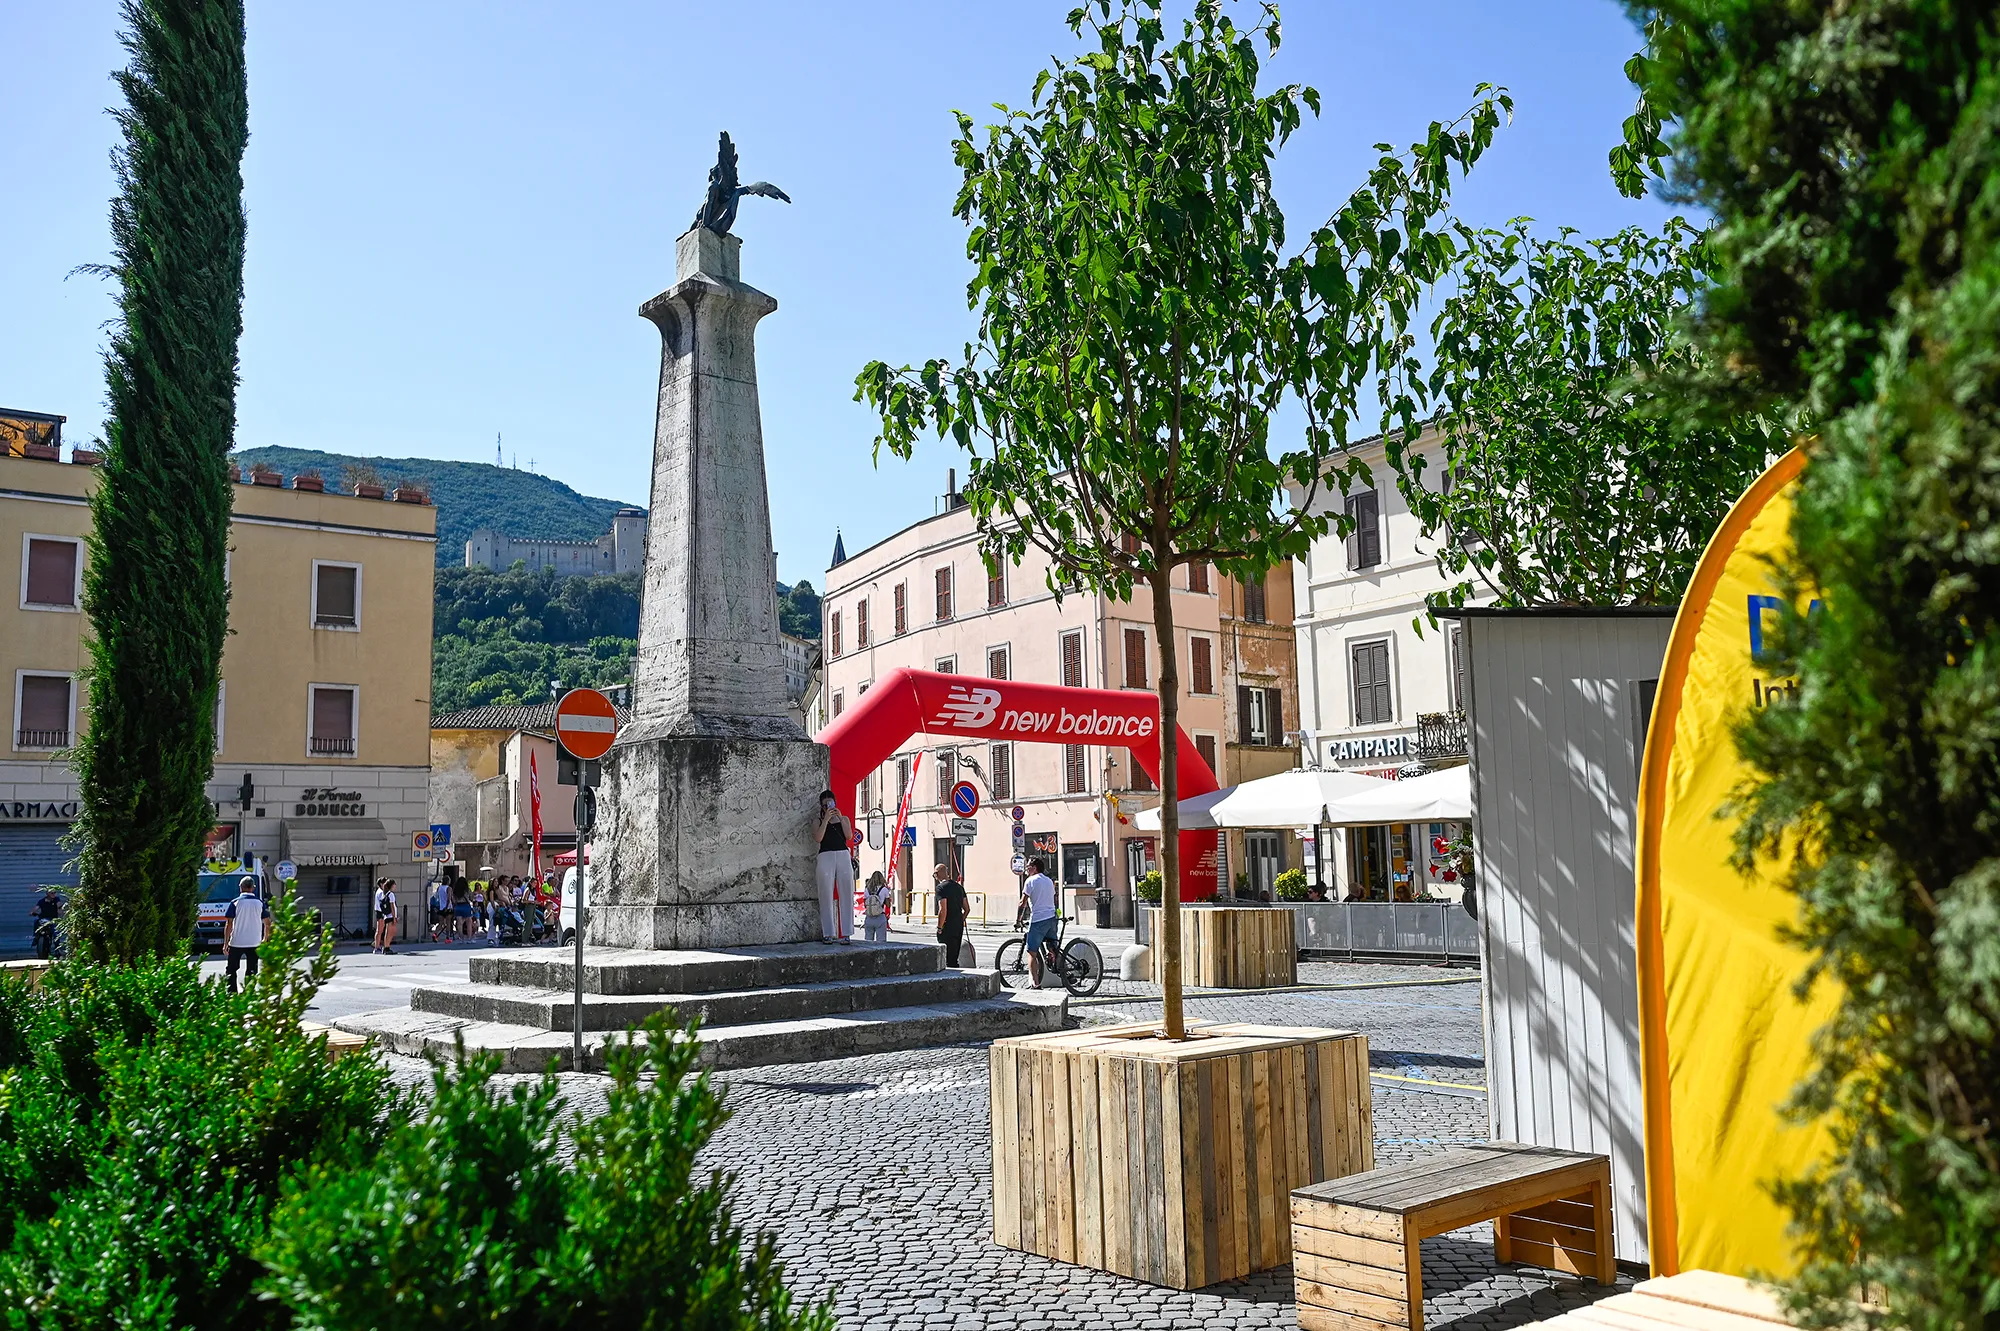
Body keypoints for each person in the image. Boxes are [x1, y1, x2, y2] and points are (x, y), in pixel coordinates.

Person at [812, 789, 855, 944]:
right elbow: (818, 838)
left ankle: (847, 933)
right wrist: (826, 820)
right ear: (821, 806)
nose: (828, 807)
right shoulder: (817, 821)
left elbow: (849, 836)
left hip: (843, 854)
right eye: (825, 804)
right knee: (825, 893)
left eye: (831, 803)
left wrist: (839, 817)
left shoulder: (844, 819)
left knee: (846, 891)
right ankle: (828, 933)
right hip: (825, 855)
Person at [222, 876, 269, 993]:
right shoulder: (260, 903)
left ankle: (232, 993)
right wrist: (264, 939)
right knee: (252, 969)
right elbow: (268, 923)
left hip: (237, 942)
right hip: (254, 942)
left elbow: (229, 924)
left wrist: (225, 943)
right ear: (253, 888)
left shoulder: (235, 903)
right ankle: (249, 993)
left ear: (241, 888)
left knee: (231, 969)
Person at [1019, 857, 1060, 987]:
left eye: (1028, 866)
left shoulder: (1030, 881)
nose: (1026, 868)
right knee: (1052, 945)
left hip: (1038, 919)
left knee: (1032, 952)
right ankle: (1058, 965)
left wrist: (1018, 920)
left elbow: (1022, 902)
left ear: (1035, 867)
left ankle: (1035, 984)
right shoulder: (1049, 881)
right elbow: (1054, 898)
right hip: (1052, 917)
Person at [933, 860, 969, 967]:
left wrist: (940, 927)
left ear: (938, 874)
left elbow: (943, 910)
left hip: (947, 925)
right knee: (954, 956)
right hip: (958, 924)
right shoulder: (959, 887)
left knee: (945, 956)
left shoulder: (941, 888)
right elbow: (967, 909)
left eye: (934, 874)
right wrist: (961, 919)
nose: (934, 876)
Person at [29, 887, 64, 961]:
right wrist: (32, 912)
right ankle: (35, 938)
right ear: (47, 894)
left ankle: (58, 951)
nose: (53, 894)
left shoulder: (56, 899)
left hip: (53, 919)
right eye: (52, 893)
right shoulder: (42, 901)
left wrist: (60, 909)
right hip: (43, 919)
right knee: (36, 921)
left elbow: (59, 906)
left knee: (56, 934)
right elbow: (36, 908)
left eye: (54, 893)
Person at [862, 870, 892, 943]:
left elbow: (865, 904)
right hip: (880, 917)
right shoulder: (884, 889)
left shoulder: (867, 889)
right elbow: (888, 905)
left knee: (868, 941)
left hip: (869, 917)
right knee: (881, 942)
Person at [372, 878, 398, 954]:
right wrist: (394, 917)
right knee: (382, 931)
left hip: (384, 913)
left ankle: (383, 946)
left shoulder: (383, 892)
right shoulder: (382, 892)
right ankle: (380, 947)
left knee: (385, 931)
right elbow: (391, 906)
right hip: (383, 913)